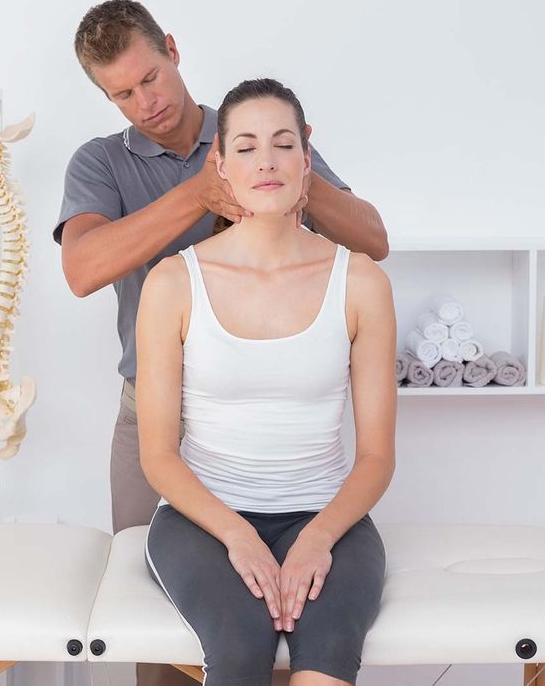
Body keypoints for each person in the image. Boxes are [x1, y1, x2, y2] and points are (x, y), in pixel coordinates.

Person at [55, 0, 389, 685]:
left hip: (292, 432)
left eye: (150, 78)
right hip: (155, 413)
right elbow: (83, 271)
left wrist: (274, 167)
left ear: (172, 49)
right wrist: (204, 190)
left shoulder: (256, 130)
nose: (144, 101)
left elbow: (372, 240)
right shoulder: (101, 165)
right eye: (122, 94)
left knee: (294, 633)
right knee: (168, 643)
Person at [137, 78, 396, 686]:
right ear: (220, 165)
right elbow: (157, 454)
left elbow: (378, 455)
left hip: (328, 514)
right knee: (241, 645)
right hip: (202, 519)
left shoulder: (360, 282)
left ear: (308, 158)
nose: (268, 162)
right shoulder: (174, 283)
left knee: (329, 649)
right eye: (247, 147)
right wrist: (238, 536)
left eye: (283, 144)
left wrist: (317, 538)